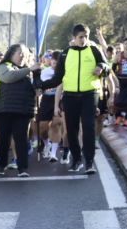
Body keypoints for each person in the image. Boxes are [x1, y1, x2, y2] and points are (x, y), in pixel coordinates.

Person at [57, 24, 108, 174]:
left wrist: (101, 67)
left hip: (89, 94)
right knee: (71, 130)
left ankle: (89, 162)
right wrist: (41, 85)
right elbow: (58, 77)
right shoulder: (65, 53)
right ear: (74, 37)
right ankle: (76, 159)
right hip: (70, 96)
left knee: (88, 127)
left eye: (86, 36)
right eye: (80, 37)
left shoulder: (94, 50)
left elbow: (107, 66)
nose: (83, 39)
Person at [0, 44, 40, 177]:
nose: (22, 56)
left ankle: (22, 167)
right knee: (4, 139)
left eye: (25, 54)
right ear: (11, 54)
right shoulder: (3, 66)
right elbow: (8, 77)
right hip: (3, 110)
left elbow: (37, 89)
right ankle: (1, 165)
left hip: (22, 110)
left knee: (21, 139)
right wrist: (29, 69)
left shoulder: (29, 71)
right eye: (20, 53)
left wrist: (37, 80)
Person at [34, 52, 63, 163]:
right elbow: (40, 86)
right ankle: (47, 144)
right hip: (47, 99)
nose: (55, 64)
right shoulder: (45, 72)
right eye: (54, 62)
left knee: (56, 125)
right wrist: (38, 90)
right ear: (51, 61)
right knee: (42, 127)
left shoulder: (64, 72)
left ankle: (53, 153)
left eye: (58, 62)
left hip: (60, 100)